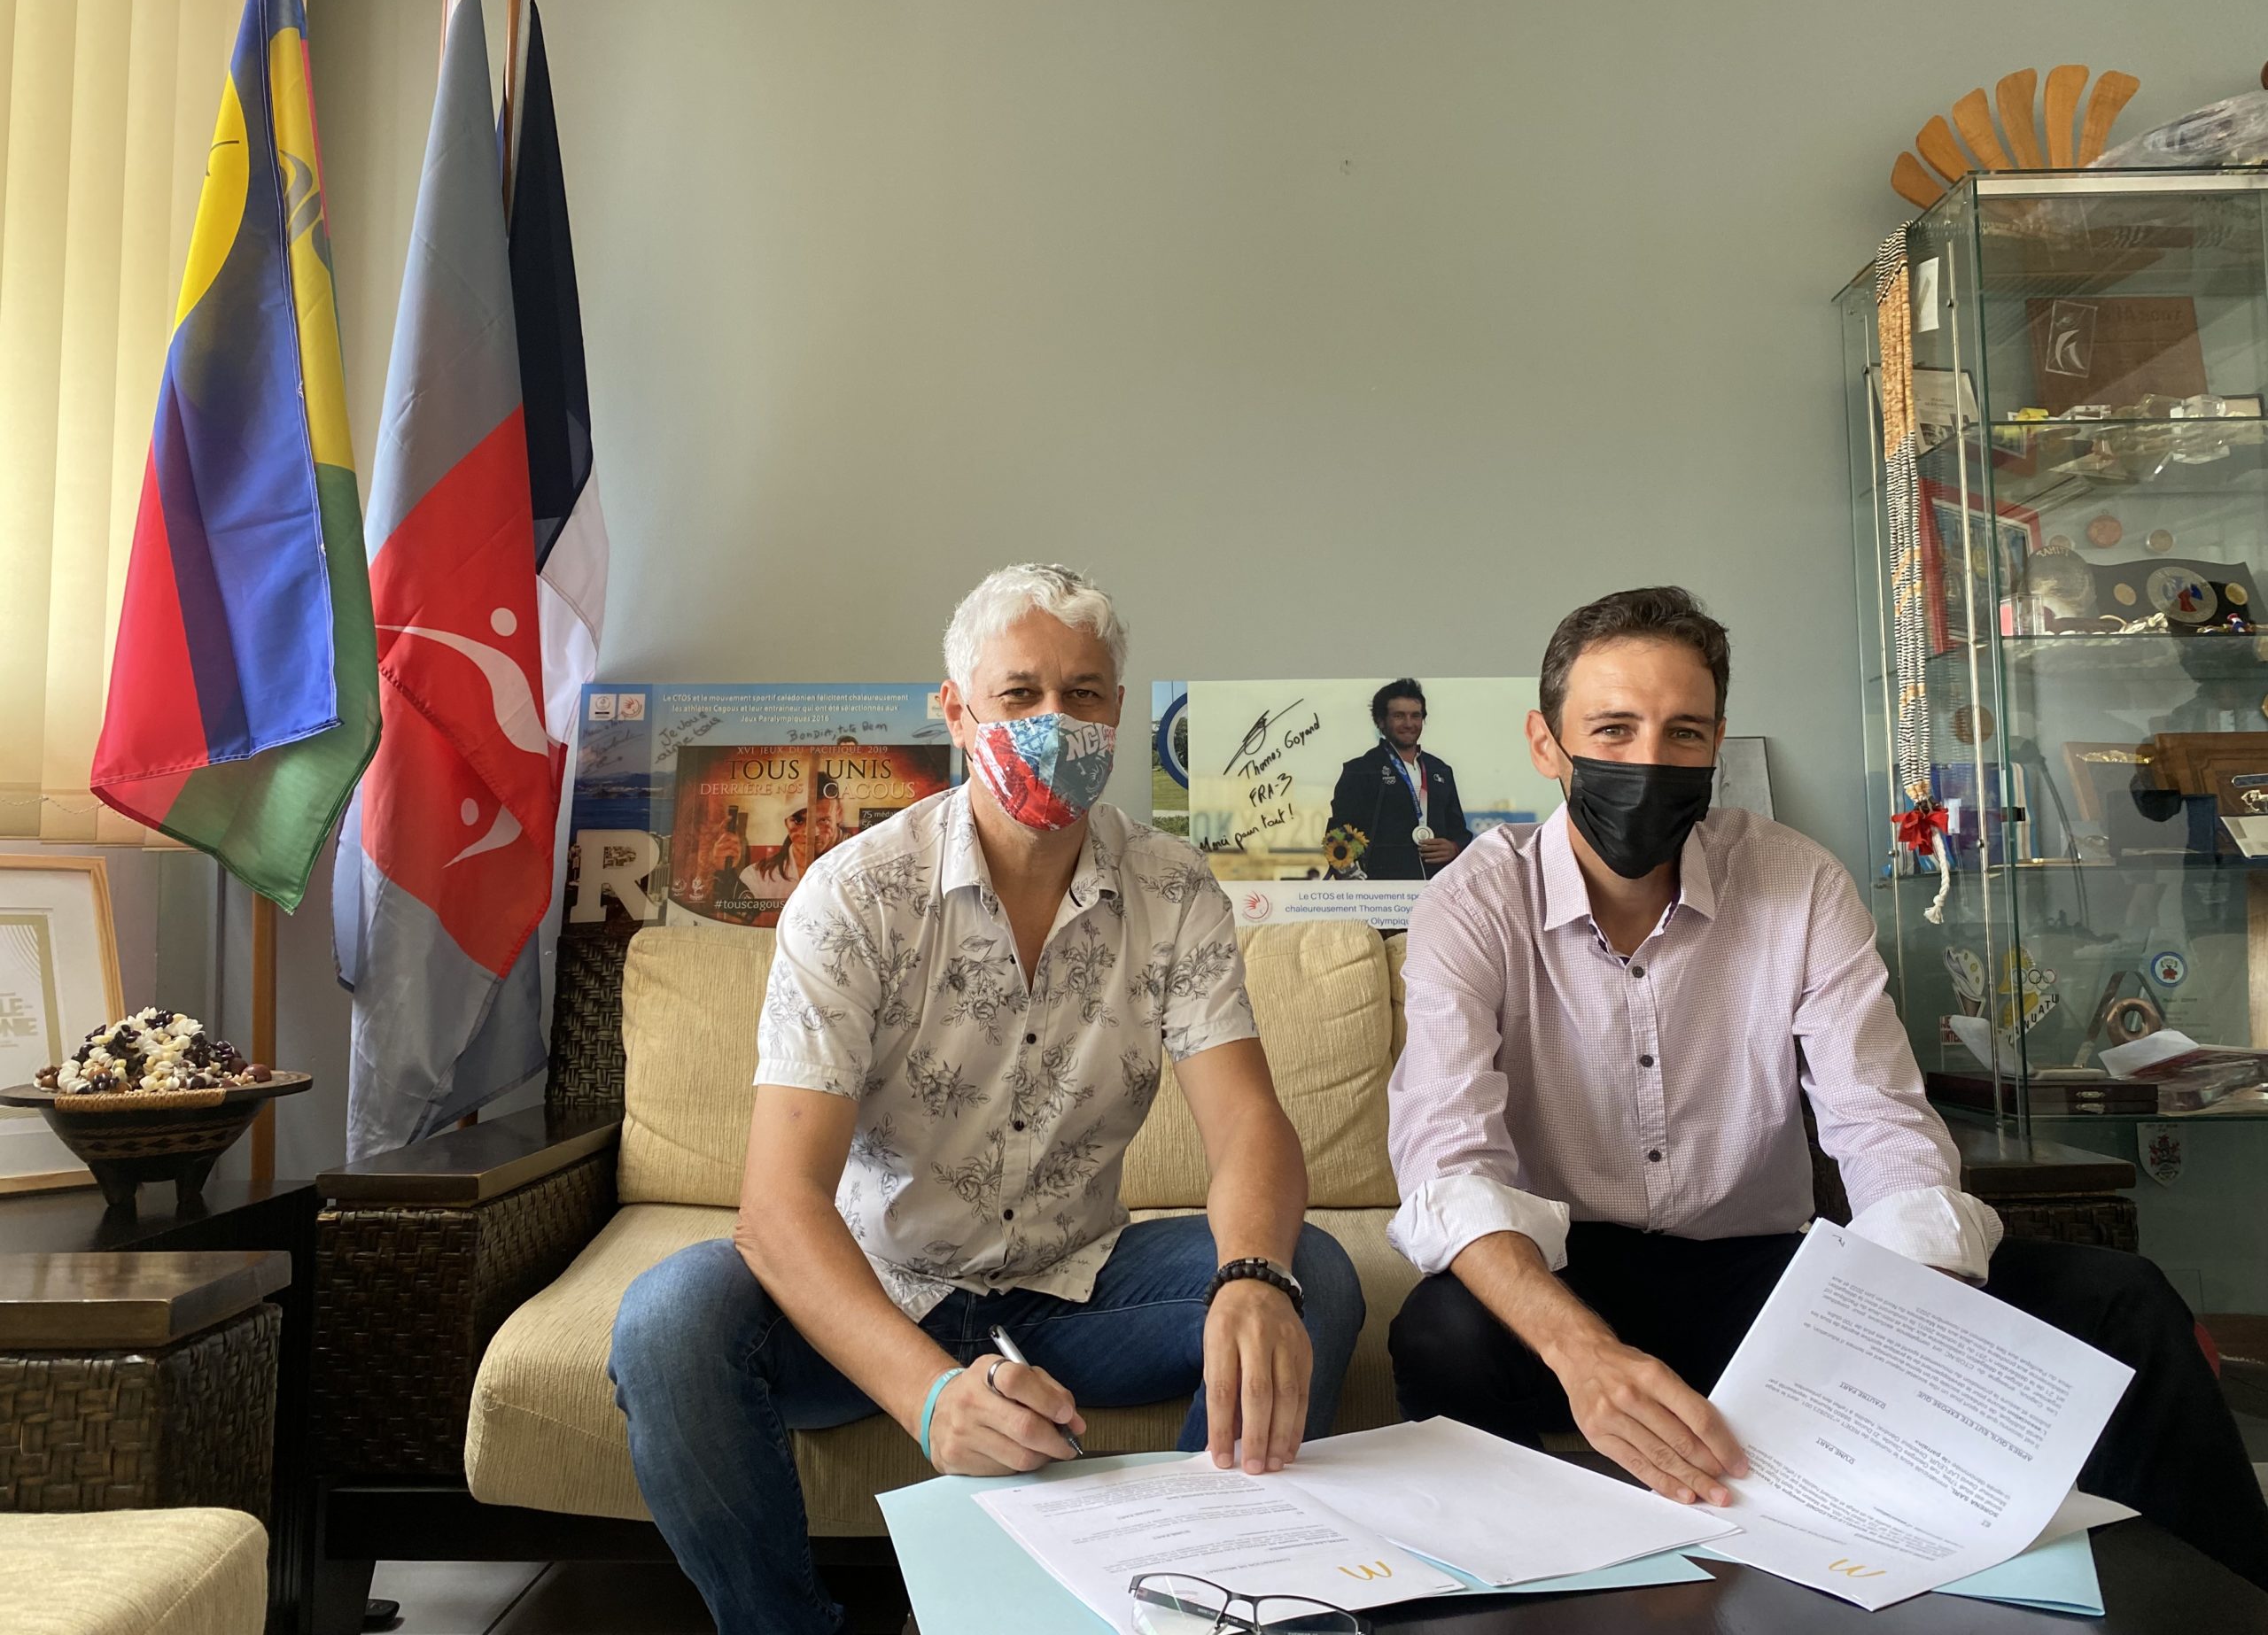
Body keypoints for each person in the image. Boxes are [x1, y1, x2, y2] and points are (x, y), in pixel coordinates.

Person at [1384, 585, 2268, 1588]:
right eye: (1613, 730)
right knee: (1441, 1331)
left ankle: (2230, 1597)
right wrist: (1582, 1356)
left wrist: (1905, 1320)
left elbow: (1880, 1120)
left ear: (1716, 743)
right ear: (1547, 743)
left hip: (1765, 1277)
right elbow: (1449, 1160)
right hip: (1571, 1273)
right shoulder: (1473, 900)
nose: (1648, 761)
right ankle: (1528, 1590)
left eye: (1682, 733)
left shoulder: (1796, 881)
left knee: (2122, 1304)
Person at [610, 563, 1364, 1635]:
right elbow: (777, 1211)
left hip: (1077, 1283)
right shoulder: (856, 895)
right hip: (881, 1284)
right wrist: (928, 1398)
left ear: (1117, 709)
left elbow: (1247, 1125)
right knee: (669, 1320)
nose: (1056, 722)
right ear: (957, 712)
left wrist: (1251, 1277)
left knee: (1306, 1274)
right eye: (1019, 695)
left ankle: (1182, 1604)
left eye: (1085, 694)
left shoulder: (1172, 887)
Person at [1326, 678, 1472, 880]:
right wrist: (1357, 886)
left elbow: (1461, 833)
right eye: (1399, 716)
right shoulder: (1360, 771)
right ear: (1380, 721)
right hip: (1384, 891)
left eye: (1415, 716)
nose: (1409, 724)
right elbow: (1337, 838)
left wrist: (1454, 847)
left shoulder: (1440, 770)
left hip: (1437, 888)